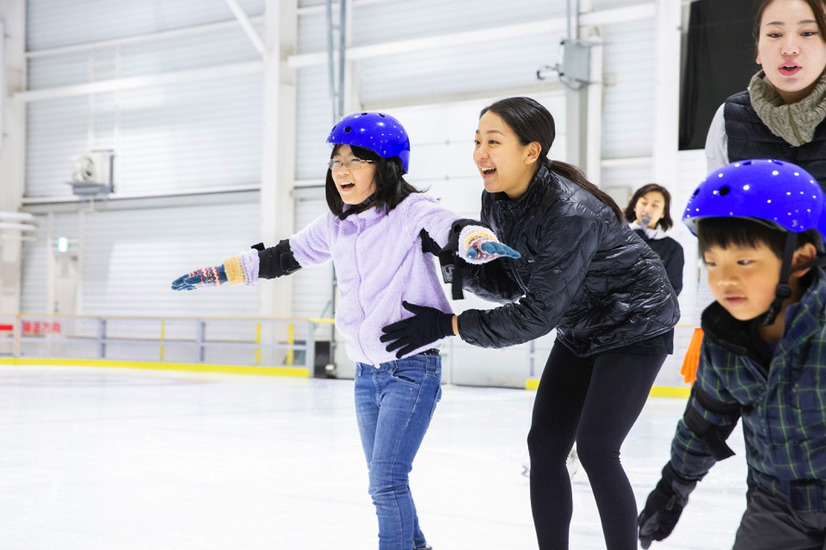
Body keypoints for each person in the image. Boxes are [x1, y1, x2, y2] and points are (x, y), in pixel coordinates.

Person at [170, 111, 519, 550]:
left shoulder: (412, 212)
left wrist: (477, 242)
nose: (342, 171)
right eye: (336, 161)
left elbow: (451, 229)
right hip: (366, 375)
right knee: (386, 483)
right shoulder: (337, 225)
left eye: (356, 160)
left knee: (386, 483)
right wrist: (215, 274)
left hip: (411, 372)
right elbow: (280, 256)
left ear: (387, 166)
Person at [380, 96, 681, 550]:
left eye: (494, 141)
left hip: (636, 323)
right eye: (477, 140)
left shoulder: (571, 212)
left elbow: (537, 313)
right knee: (544, 448)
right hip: (580, 325)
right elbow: (510, 279)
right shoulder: (496, 198)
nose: (481, 152)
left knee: (598, 449)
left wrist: (449, 326)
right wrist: (451, 264)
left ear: (531, 151)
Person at [637, 159, 826, 549]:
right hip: (778, 505)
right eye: (712, 263)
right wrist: (673, 487)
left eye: (743, 262)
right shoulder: (725, 341)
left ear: (801, 258)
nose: (724, 280)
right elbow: (704, 424)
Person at [705, 0, 826, 186]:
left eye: (807, 33)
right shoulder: (728, 117)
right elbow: (719, 207)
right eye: (775, 34)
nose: (789, 49)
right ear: (758, 49)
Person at [625, 184, 685, 296]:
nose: (647, 210)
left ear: (663, 213)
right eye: (644, 203)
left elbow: (673, 289)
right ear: (634, 206)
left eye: (655, 205)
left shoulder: (673, 248)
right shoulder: (617, 236)